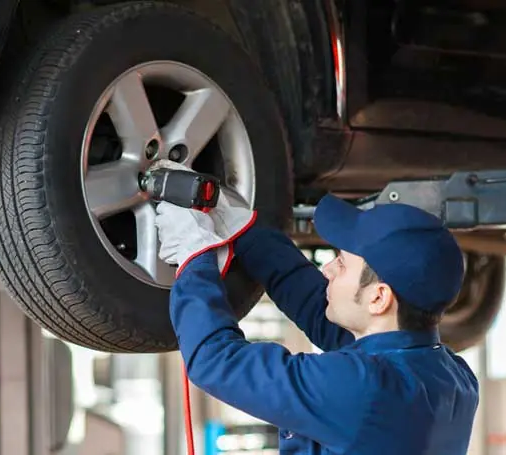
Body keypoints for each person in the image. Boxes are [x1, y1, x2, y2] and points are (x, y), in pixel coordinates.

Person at [153, 166, 480, 454]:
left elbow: (215, 362)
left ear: (379, 299)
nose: (327, 270)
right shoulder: (451, 377)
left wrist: (194, 255)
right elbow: (316, 308)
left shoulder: (363, 389)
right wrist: (245, 231)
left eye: (340, 262)